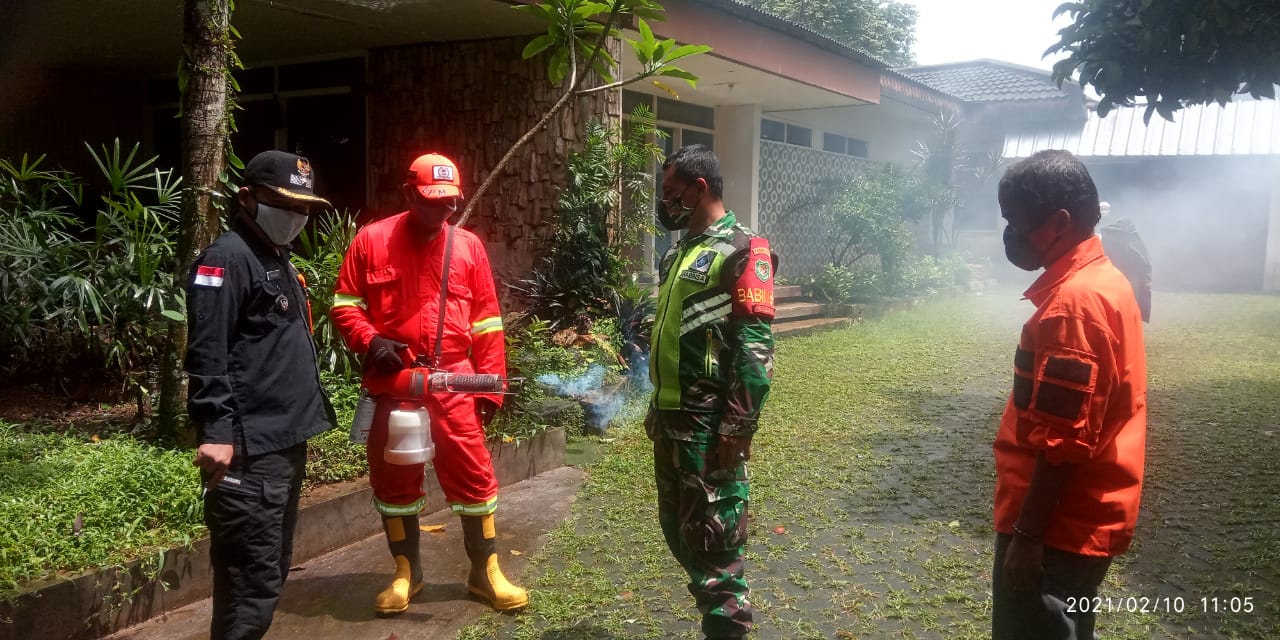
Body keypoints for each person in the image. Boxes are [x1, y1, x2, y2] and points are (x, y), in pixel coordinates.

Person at [330, 152, 526, 614]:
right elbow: (344, 303)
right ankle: (406, 573)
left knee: (476, 477)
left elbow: (487, 323)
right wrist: (369, 338)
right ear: (408, 195)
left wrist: (489, 390)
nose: (440, 212)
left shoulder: (468, 248)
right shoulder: (371, 241)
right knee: (393, 480)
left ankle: (486, 572)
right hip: (395, 384)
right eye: (429, 202)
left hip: (456, 382)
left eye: (448, 204)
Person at [992, 150, 1148, 640]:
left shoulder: (1074, 305)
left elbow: (1062, 441)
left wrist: (1027, 536)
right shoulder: (1107, 280)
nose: (1010, 234)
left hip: (1057, 529)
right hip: (1081, 520)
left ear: (1059, 223)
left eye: (1016, 221)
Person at [186, 150, 339, 640]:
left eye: (303, 207)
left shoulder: (272, 257)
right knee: (249, 586)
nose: (295, 216)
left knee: (268, 572)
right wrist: (216, 430)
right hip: (249, 455)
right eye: (282, 203)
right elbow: (208, 350)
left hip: (281, 446)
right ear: (247, 199)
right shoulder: (227, 258)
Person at [646, 144, 777, 640]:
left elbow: (755, 349)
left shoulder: (744, 250)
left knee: (716, 547)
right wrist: (657, 405)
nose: (665, 204)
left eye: (670, 192)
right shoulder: (679, 252)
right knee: (682, 535)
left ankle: (729, 630)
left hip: (709, 424)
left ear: (699, 188)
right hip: (672, 418)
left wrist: (737, 426)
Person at [1097, 201, 1153, 322]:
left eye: (1106, 210)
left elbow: (1143, 261)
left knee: (1130, 306)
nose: (1104, 212)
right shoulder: (1109, 236)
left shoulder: (1132, 241)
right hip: (1115, 277)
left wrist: (1146, 279)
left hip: (1130, 278)